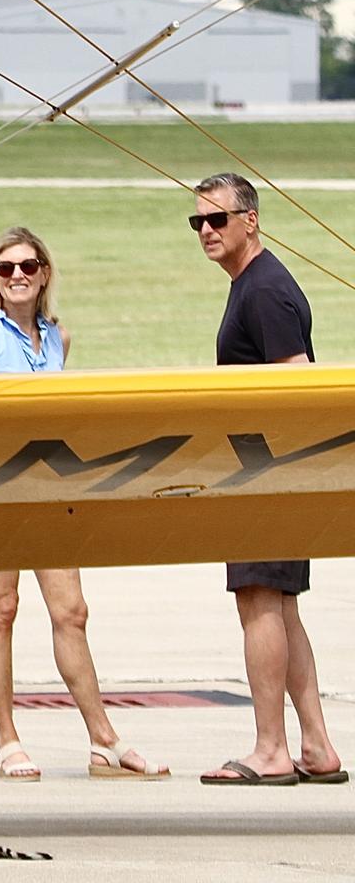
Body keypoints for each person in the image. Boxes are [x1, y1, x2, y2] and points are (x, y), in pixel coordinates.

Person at [0, 226, 168, 782]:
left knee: (71, 612)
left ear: (44, 273)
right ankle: (7, 739)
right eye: (6, 269)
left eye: (28, 266)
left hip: (49, 491)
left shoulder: (58, 339)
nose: (18, 276)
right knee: (2, 608)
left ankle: (104, 739)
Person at [190, 173, 346, 787]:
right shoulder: (257, 284)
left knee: (258, 604)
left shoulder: (263, 291)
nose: (206, 231)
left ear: (250, 219)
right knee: (281, 608)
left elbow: (298, 385)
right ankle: (316, 745)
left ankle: (270, 749)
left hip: (267, 476)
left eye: (217, 219)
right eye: (197, 223)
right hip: (280, 476)